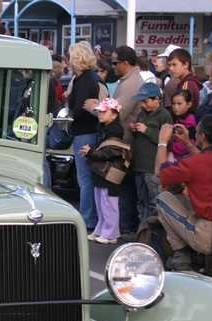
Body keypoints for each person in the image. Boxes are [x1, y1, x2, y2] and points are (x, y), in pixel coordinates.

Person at [155, 114, 212, 270]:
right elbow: (210, 162)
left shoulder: (193, 164)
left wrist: (162, 142)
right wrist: (187, 143)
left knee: (163, 198)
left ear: (202, 136)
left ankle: (181, 254)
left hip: (210, 237)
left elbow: (160, 173)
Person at [86, 46, 145, 240]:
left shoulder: (131, 84)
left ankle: (116, 230)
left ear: (125, 63)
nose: (113, 66)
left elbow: (121, 111)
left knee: (113, 197)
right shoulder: (127, 82)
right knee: (104, 197)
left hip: (119, 152)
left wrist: (93, 109)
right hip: (115, 151)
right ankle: (106, 229)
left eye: (115, 63)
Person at [79, 98, 130, 244]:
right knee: (101, 204)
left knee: (109, 204)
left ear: (114, 114)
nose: (100, 114)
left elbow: (110, 152)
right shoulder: (104, 128)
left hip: (110, 172)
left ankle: (111, 234)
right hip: (102, 172)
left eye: (104, 112)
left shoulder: (115, 130)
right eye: (99, 112)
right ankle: (101, 230)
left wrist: (91, 153)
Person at [67, 41, 100, 231]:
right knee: (87, 177)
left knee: (85, 178)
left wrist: (70, 116)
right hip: (88, 130)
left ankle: (87, 218)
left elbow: (80, 108)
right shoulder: (89, 78)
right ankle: (89, 216)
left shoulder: (84, 80)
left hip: (84, 131)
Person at [131, 82, 173, 224]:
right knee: (140, 199)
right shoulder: (142, 113)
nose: (143, 104)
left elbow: (167, 140)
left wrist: (147, 130)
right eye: (141, 101)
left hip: (152, 166)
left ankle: (152, 231)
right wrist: (134, 129)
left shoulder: (164, 115)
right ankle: (141, 228)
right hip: (139, 164)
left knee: (153, 200)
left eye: (146, 101)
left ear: (157, 99)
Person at [168, 90, 198, 161]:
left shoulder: (190, 121)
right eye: (173, 104)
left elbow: (186, 146)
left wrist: (168, 145)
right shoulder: (178, 118)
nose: (175, 107)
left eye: (179, 104)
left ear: (189, 104)